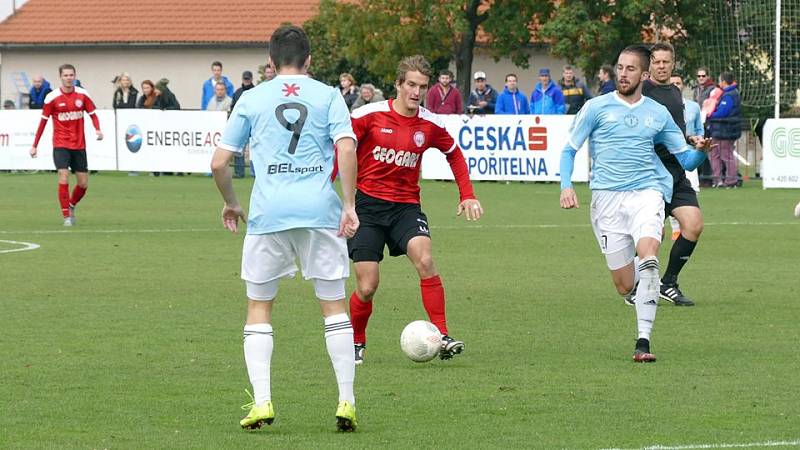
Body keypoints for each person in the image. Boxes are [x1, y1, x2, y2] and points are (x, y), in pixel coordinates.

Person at [210, 25, 360, 432]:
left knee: (259, 306)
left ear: (270, 62)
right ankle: (346, 400)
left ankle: (262, 402)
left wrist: (231, 203)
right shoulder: (329, 95)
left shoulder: (252, 98)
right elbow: (346, 147)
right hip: (319, 212)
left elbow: (219, 163)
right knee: (333, 305)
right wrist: (348, 204)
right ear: (309, 59)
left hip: (268, 214)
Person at [559, 45, 707, 362]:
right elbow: (569, 150)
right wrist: (566, 185)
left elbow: (688, 160)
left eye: (630, 69)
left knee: (649, 254)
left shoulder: (657, 113)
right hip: (606, 200)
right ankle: (643, 289)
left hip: (647, 193)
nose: (623, 74)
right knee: (625, 285)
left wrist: (703, 150)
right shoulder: (596, 107)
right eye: (620, 67)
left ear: (643, 74)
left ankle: (643, 343)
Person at [347, 54, 484, 365]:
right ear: (398, 84)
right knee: (367, 286)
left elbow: (454, 154)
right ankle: (356, 340)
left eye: (422, 86)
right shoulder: (369, 115)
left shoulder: (430, 123)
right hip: (367, 207)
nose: (416, 92)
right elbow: (342, 150)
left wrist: (467, 194)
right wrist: (336, 197)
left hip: (406, 207)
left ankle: (444, 335)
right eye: (410, 85)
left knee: (425, 259)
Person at [641, 42, 709, 307]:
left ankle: (667, 283)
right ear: (650, 65)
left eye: (665, 62)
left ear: (672, 64)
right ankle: (639, 286)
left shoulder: (675, 93)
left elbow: (674, 133)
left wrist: (691, 139)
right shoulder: (642, 92)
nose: (661, 66)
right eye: (656, 61)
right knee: (650, 236)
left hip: (676, 172)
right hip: (649, 176)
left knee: (693, 225)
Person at [30, 64, 103, 226]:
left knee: (83, 184)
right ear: (60, 77)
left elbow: (93, 114)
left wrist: (98, 129)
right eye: (66, 75)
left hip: (79, 145)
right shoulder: (52, 97)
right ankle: (66, 217)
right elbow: (42, 123)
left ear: (75, 76)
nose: (69, 78)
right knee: (63, 176)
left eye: (71, 75)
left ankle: (71, 205)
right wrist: (35, 145)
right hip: (61, 144)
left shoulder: (83, 95)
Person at [668, 74, 704, 240]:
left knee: (691, 191)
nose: (675, 85)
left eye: (678, 83)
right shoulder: (663, 106)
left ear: (682, 85)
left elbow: (699, 130)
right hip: (670, 156)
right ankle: (676, 228)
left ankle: (686, 224)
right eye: (672, 82)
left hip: (689, 153)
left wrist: (699, 144)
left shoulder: (693, 107)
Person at [707, 71, 742, 188]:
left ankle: (730, 181)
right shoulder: (731, 93)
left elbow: (722, 112)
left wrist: (709, 114)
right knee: (715, 155)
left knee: (725, 155)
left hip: (724, 131)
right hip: (722, 130)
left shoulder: (729, 95)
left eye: (720, 80)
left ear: (723, 81)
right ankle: (718, 180)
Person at [231, 70, 256, 179]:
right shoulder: (237, 93)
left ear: (251, 79)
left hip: (254, 125)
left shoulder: (256, 91)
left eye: (248, 79)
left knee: (255, 150)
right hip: (241, 125)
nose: (246, 81)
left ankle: (255, 172)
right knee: (238, 150)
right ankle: (239, 172)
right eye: (245, 79)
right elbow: (233, 108)